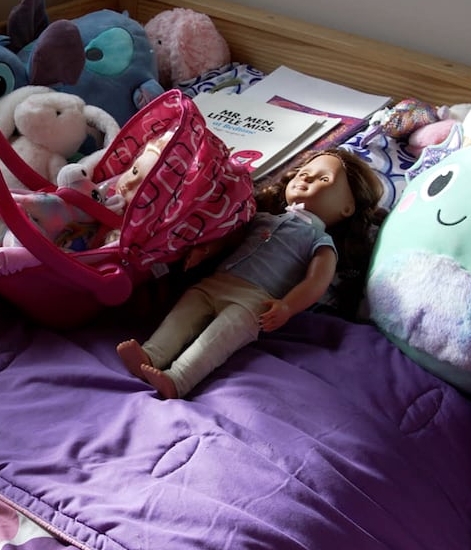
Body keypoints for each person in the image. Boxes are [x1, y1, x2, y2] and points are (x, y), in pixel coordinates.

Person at [117, 148, 383, 399]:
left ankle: (178, 379)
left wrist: (288, 306)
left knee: (218, 338)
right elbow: (231, 238)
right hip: (217, 282)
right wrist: (207, 250)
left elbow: (317, 281)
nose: (307, 178)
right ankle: (151, 354)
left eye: (324, 179)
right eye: (304, 172)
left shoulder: (319, 240)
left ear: (347, 208)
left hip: (254, 301)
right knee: (184, 312)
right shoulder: (265, 217)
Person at [0, 131, 173, 302]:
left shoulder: (136, 223)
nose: (130, 183)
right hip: (45, 230)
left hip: (58, 267)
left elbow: (115, 249)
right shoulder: (110, 192)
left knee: (15, 252)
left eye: (142, 184)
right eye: (134, 171)